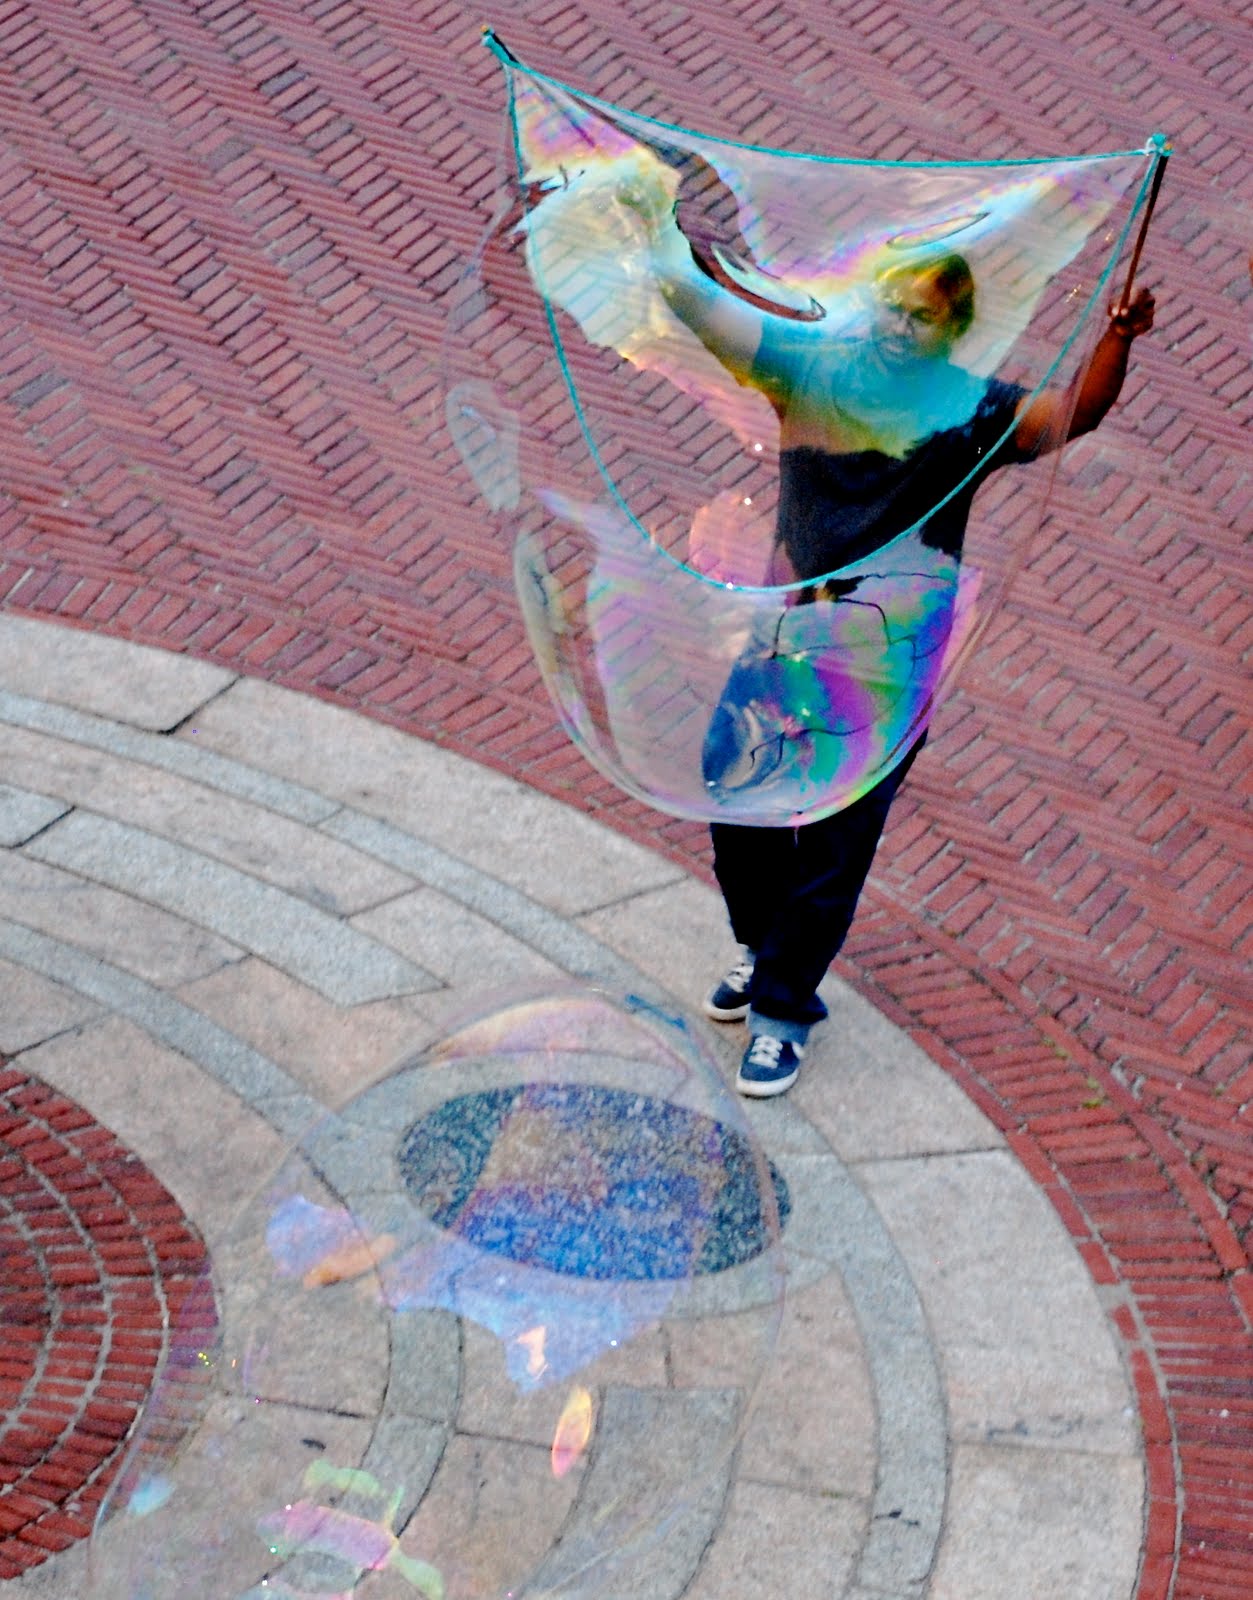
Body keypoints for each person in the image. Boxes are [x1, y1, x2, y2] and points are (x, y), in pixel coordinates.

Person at [631, 190, 1156, 1095]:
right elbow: (709, 316)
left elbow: (1072, 414)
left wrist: (1117, 337)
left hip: (886, 663)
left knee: (836, 839)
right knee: (734, 797)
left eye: (923, 318)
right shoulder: (808, 370)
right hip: (785, 638)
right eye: (893, 308)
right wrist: (659, 246)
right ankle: (765, 950)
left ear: (949, 334)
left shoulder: (967, 413)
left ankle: (785, 1009)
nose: (901, 327)